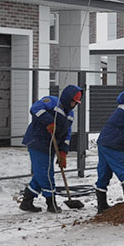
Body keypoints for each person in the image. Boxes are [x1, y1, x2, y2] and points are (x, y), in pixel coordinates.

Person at [20, 85, 82, 213]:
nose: (74, 105)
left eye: (76, 103)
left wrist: (63, 151)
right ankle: (51, 202)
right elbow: (35, 108)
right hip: (37, 142)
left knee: (41, 174)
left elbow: (67, 133)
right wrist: (49, 121)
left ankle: (27, 201)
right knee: (46, 173)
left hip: (51, 146)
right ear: (67, 97)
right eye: (73, 101)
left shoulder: (69, 114)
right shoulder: (52, 102)